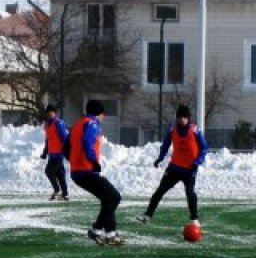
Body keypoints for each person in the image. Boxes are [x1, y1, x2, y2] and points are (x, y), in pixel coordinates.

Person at [136, 105, 208, 227]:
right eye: (180, 117)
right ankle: (147, 216)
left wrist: (197, 162)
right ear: (177, 118)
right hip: (174, 168)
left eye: (185, 117)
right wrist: (160, 158)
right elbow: (165, 145)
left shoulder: (195, 130)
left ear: (188, 118)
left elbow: (204, 148)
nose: (182, 120)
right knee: (160, 191)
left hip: (189, 169)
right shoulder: (172, 130)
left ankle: (194, 219)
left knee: (190, 193)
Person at [67, 100, 123, 245]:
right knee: (114, 197)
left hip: (77, 172)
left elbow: (65, 148)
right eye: (103, 114)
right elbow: (87, 142)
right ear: (100, 113)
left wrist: (74, 161)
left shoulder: (77, 124)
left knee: (107, 199)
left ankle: (110, 234)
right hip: (87, 171)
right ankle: (96, 229)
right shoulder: (92, 124)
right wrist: (93, 161)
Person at [40, 104, 70, 201]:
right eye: (47, 113)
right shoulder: (47, 125)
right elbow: (48, 139)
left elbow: (65, 138)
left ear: (54, 113)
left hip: (59, 153)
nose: (49, 115)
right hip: (52, 154)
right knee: (60, 174)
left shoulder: (58, 123)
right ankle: (65, 194)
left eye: (50, 113)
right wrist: (45, 152)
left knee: (49, 171)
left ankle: (57, 190)